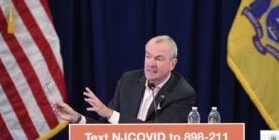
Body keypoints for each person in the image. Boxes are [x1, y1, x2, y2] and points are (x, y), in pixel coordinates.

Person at [53, 35, 196, 124]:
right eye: (148, 56)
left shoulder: (183, 93)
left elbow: (157, 133)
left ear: (173, 63)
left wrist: (110, 114)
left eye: (158, 58)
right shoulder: (128, 81)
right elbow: (108, 130)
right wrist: (77, 118)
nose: (151, 63)